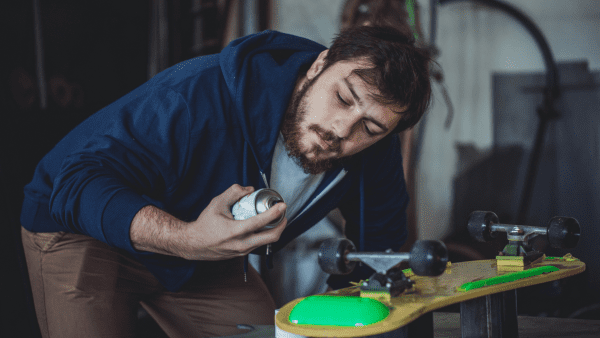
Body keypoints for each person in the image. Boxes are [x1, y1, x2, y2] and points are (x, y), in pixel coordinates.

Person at [20, 25, 431, 337]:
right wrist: (185, 238)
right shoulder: (195, 95)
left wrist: (343, 312)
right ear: (319, 65)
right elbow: (76, 184)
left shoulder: (375, 149)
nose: (343, 129)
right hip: (85, 232)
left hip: (203, 255)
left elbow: (378, 246)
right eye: (343, 98)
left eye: (371, 128)